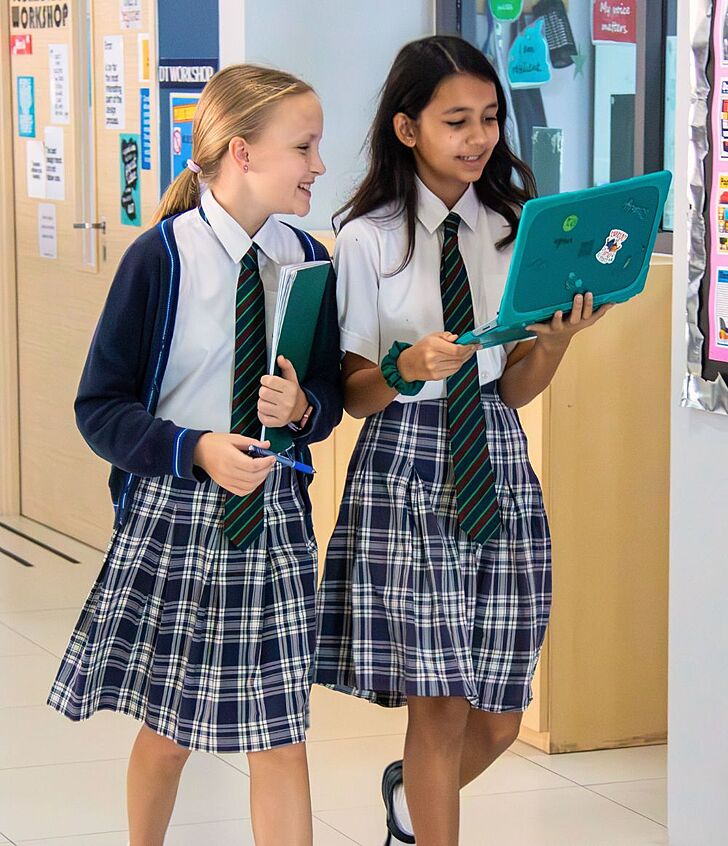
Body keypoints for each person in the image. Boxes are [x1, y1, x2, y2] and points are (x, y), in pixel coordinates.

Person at [313, 35, 611, 846]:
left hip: (497, 456)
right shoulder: (367, 238)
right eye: (456, 121)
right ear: (408, 129)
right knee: (438, 706)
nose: (478, 138)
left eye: (488, 118)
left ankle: (407, 801)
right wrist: (406, 366)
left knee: (502, 716)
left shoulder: (516, 227)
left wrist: (554, 341)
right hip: (405, 465)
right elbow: (352, 395)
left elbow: (513, 385)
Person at [47, 64, 342, 846]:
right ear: (243, 152)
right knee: (171, 727)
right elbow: (99, 407)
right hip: (175, 514)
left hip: (273, 514)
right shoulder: (161, 257)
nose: (319, 165)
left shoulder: (308, 256)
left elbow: (326, 390)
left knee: (280, 734)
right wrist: (195, 449)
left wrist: (304, 408)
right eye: (304, 146)